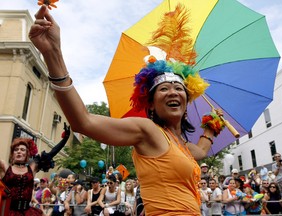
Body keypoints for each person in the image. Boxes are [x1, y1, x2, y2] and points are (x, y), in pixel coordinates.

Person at [29, 5, 226, 215]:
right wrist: (53, 54)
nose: (173, 92)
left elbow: (202, 151)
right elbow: (83, 122)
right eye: (164, 89)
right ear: (150, 103)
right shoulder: (147, 130)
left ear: (187, 101)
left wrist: (211, 129)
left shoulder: (183, 146)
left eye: (179, 88)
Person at [0, 124, 70, 215]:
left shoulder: (32, 168)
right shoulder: (5, 167)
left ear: (27, 154)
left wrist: (65, 139)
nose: (19, 151)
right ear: (12, 153)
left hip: (27, 212)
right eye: (16, 149)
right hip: (7, 212)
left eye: (22, 150)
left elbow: (51, 153)